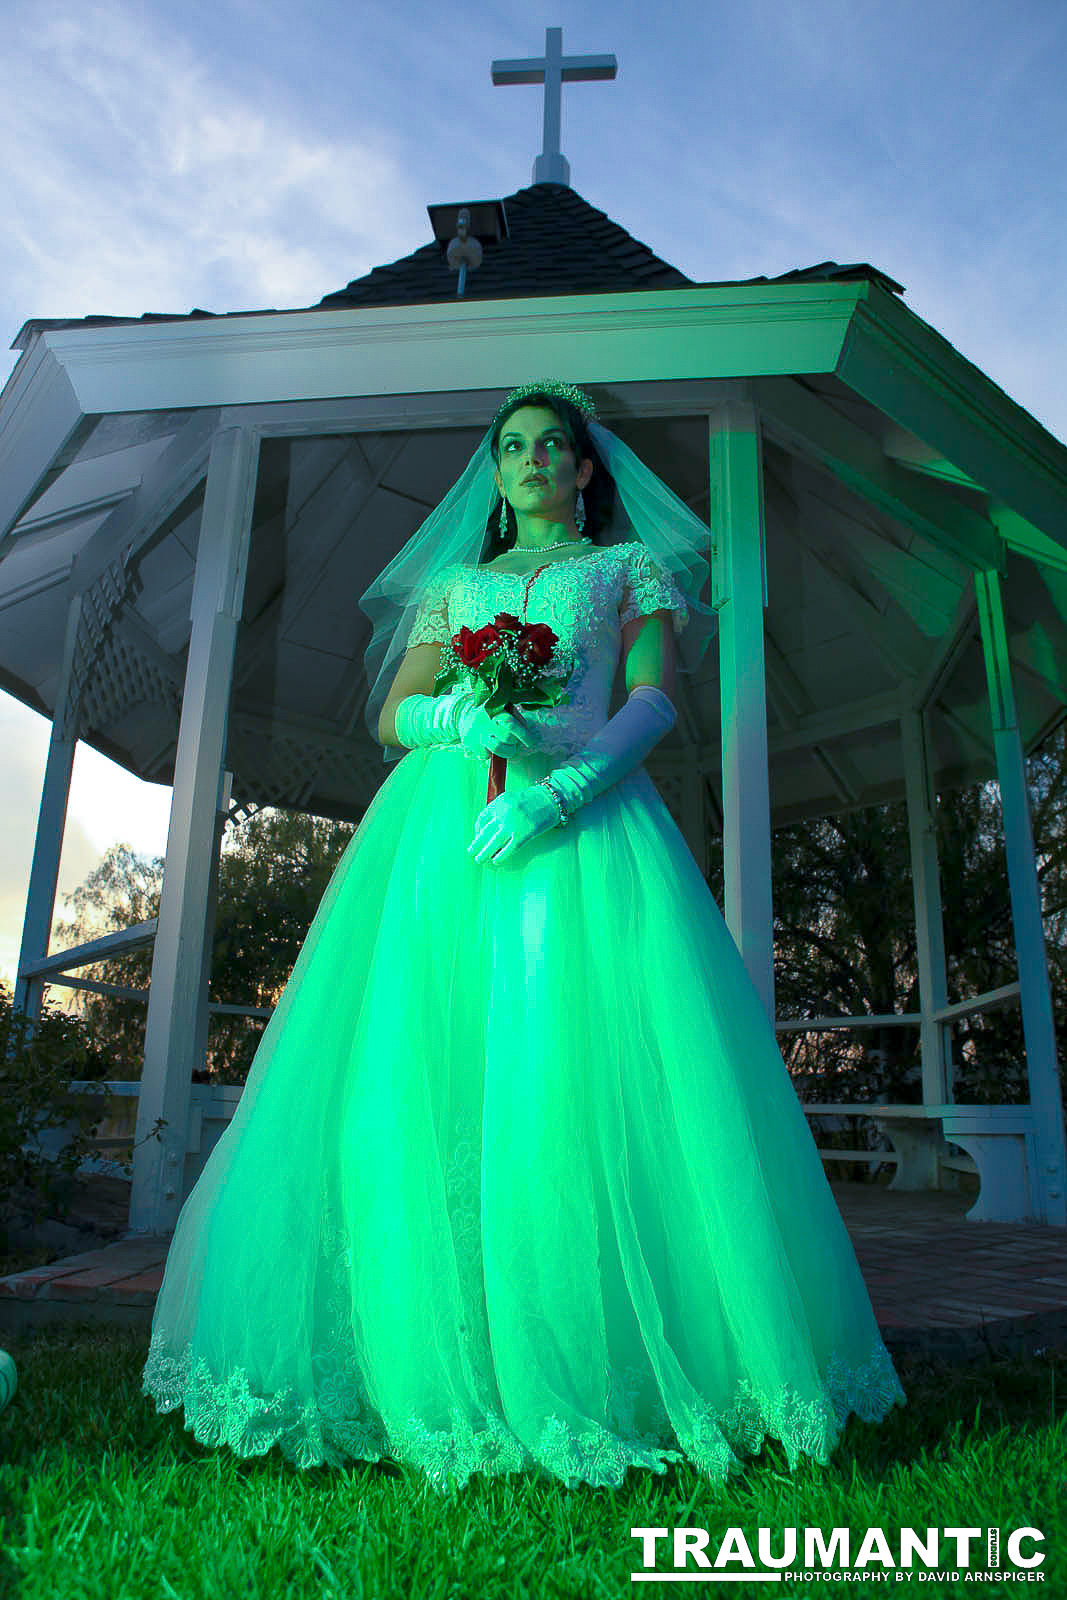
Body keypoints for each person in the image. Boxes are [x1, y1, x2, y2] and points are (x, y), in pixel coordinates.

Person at [141, 381, 906, 1494]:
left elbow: (649, 698)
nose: (534, 459)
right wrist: (444, 716)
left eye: (554, 445)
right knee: (426, 1070)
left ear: (585, 470)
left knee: (570, 1071)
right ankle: (430, 1346)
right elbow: (395, 707)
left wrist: (563, 792)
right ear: (494, 473)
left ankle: (602, 1356)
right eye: (513, 447)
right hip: (444, 838)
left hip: (578, 828)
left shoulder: (625, 569)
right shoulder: (454, 586)